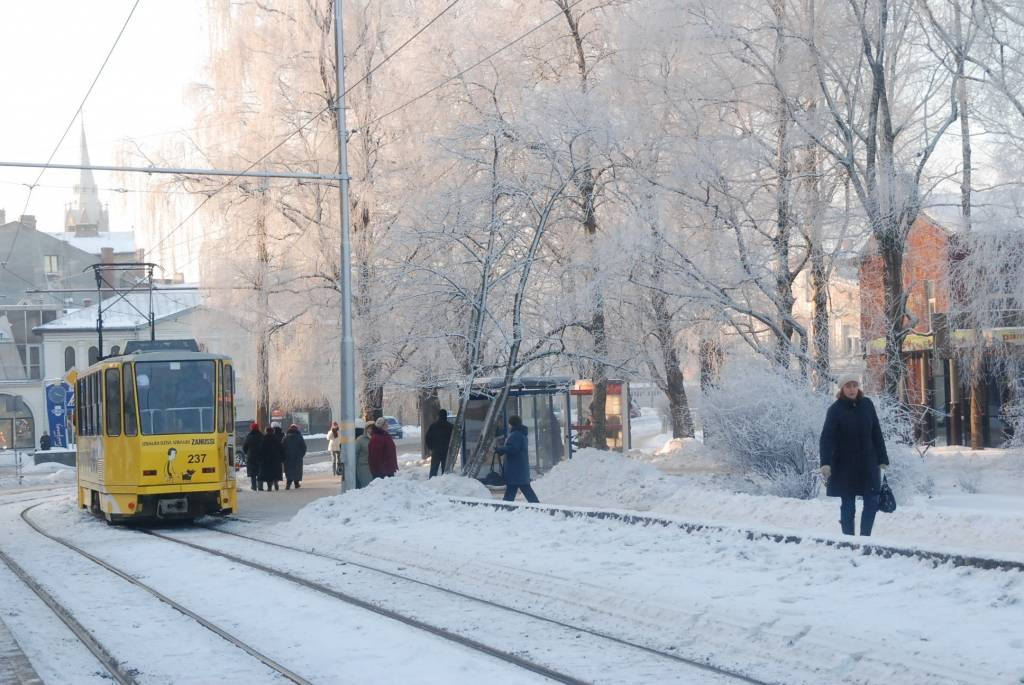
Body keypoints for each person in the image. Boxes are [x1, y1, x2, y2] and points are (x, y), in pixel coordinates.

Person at [819, 374, 890, 536]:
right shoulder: (835, 410)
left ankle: (865, 538)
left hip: (868, 463)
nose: (852, 389)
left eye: (854, 385)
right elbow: (826, 438)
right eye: (848, 386)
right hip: (845, 465)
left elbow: (876, 432)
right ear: (842, 389)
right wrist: (825, 462)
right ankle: (848, 540)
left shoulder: (867, 404)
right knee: (848, 504)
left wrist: (882, 457)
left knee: (872, 502)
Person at [496, 415, 539, 503]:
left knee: (522, 489)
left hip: (516, 469)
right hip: (518, 469)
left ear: (511, 424)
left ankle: (538, 507)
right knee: (515, 490)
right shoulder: (521, 434)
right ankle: (505, 507)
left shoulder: (515, 435)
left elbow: (513, 448)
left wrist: (500, 449)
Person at [425, 410, 454, 478]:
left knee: (434, 469)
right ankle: (445, 482)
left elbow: (428, 438)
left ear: (439, 416)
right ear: (446, 416)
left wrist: (431, 447)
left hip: (436, 451)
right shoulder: (451, 426)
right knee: (446, 470)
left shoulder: (433, 426)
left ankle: (432, 482)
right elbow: (453, 440)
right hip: (447, 451)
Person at [260, 425, 285, 491]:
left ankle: (269, 487)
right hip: (276, 459)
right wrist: (282, 458)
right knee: (275, 472)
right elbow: (281, 449)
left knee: (268, 473)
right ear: (273, 432)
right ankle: (276, 483)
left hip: (267, 460)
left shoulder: (264, 439)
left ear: (266, 431)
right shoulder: (276, 439)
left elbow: (261, 450)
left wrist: (262, 458)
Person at [283, 424, 307, 489]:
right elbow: (304, 447)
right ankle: (296, 483)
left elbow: (282, 447)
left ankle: (288, 483)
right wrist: (301, 455)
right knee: (297, 469)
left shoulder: (286, 437)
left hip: (288, 457)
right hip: (297, 457)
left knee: (289, 470)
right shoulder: (299, 437)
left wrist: (284, 455)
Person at [242, 422, 263, 491]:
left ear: (251, 428)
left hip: (251, 457)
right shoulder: (261, 436)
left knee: (253, 473)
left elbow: (245, 447)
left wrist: (247, 453)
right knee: (260, 471)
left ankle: (253, 486)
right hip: (260, 456)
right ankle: (260, 487)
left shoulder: (249, 436)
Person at [354, 423, 373, 488]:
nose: (371, 430)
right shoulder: (360, 439)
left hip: (373, 466)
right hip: (363, 466)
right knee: (366, 486)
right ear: (366, 429)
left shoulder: (376, 438)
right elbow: (355, 453)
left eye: (373, 428)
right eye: (369, 428)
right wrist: (355, 466)